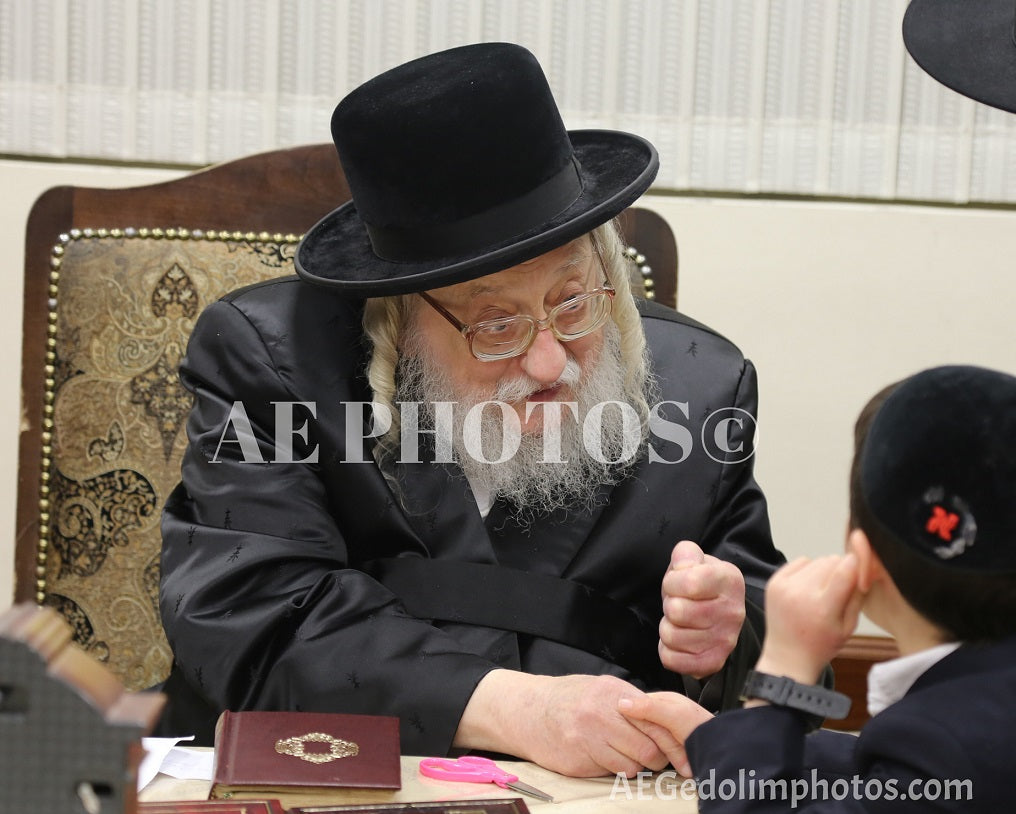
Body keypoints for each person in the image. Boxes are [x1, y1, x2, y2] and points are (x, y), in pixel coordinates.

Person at [156, 42, 786, 777]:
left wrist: (727, 638)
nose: (550, 360)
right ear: (398, 316)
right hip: (326, 778)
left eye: (572, 300)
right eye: (496, 325)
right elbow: (251, 618)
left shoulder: (702, 386)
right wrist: (524, 711)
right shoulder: (271, 364)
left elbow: (784, 655)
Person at [620, 364, 1016, 809]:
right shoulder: (962, 736)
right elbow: (895, 775)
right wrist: (720, 738)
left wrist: (785, 670)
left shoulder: (940, 744)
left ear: (863, 561)